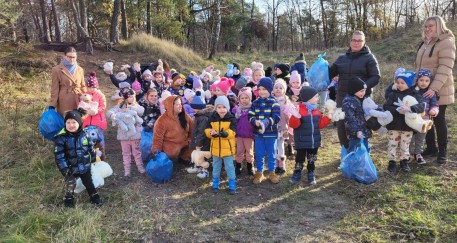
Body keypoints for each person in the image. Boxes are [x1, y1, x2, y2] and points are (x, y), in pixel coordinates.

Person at [414, 15, 455, 164]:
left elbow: (445, 67)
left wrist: (434, 88)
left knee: (438, 119)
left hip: (440, 89)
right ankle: (431, 147)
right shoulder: (425, 43)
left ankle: (443, 151)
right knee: (425, 116)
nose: (427, 28)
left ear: (439, 26)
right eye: (426, 26)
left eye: (431, 25)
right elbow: (418, 68)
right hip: (423, 88)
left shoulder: (446, 42)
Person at [329, 30, 380, 148]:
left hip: (362, 98)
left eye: (359, 41)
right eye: (354, 40)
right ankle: (345, 151)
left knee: (361, 124)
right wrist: (321, 67)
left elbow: (376, 77)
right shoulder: (342, 58)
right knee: (342, 124)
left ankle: (362, 152)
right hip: (342, 97)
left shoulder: (369, 58)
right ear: (350, 41)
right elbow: (330, 73)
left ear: (364, 42)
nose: (356, 43)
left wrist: (363, 87)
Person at [54, 108, 102, 207]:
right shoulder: (61, 138)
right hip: (70, 167)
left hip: (84, 165)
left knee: (88, 182)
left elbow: (90, 147)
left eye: (74, 122)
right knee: (70, 183)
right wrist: (64, 168)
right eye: (68, 122)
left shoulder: (85, 134)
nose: (71, 125)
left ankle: (94, 196)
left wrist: (92, 157)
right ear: (65, 123)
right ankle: (69, 198)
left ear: (79, 123)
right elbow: (59, 155)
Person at [383, 71, 425, 174]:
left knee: (405, 144)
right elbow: (386, 106)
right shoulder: (393, 94)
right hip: (394, 124)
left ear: (409, 83)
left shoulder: (415, 94)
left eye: (403, 83)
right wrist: (397, 110)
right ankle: (392, 162)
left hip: (408, 126)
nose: (400, 85)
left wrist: (410, 109)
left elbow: (421, 106)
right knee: (392, 143)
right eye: (398, 82)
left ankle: (404, 162)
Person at [289, 86, 331, 184]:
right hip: (301, 141)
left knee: (312, 158)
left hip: (314, 141)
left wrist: (328, 117)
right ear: (308, 98)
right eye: (316, 97)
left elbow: (320, 125)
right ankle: (297, 172)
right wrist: (295, 116)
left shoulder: (317, 111)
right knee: (300, 158)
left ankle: (310, 172)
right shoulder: (298, 109)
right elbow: (293, 125)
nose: (318, 98)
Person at [248, 77, 281, 184]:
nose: (261, 91)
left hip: (271, 134)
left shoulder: (274, 102)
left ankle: (272, 172)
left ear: (270, 89)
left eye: (264, 89)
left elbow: (276, 117)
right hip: (258, 135)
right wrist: (254, 121)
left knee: (271, 154)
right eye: (260, 89)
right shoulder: (255, 103)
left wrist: (266, 122)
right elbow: (250, 115)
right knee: (259, 153)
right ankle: (259, 172)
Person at [107, 89, 145, 176]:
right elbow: (110, 112)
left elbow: (141, 111)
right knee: (126, 153)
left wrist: (131, 107)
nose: (132, 98)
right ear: (125, 97)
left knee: (137, 152)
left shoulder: (136, 106)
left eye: (134, 96)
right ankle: (127, 169)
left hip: (135, 135)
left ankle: (140, 166)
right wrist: (112, 115)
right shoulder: (120, 106)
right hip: (123, 136)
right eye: (130, 97)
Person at [205, 96, 237, 194]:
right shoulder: (212, 118)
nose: (221, 110)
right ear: (216, 108)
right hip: (216, 149)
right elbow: (206, 130)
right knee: (216, 166)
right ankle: (215, 183)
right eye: (219, 107)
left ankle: (232, 185)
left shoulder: (231, 118)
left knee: (229, 167)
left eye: (224, 107)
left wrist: (225, 134)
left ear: (227, 107)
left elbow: (233, 131)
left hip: (227, 149)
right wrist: (210, 132)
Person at [152, 95, 194, 163]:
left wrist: (190, 139)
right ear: (170, 106)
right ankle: (168, 159)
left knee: (193, 148)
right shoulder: (161, 121)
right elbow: (157, 138)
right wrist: (157, 153)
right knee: (171, 152)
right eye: (177, 104)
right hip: (171, 145)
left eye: (181, 104)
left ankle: (184, 157)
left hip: (185, 143)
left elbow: (193, 129)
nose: (180, 106)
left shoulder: (185, 116)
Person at [410, 69, 439, 165]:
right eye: (421, 80)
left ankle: (418, 154)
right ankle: (407, 154)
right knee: (410, 137)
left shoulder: (430, 93)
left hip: (424, 120)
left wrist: (434, 110)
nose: (424, 83)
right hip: (412, 119)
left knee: (421, 138)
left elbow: (434, 104)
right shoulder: (412, 90)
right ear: (417, 80)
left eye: (427, 81)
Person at [50, 47, 87, 116]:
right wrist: (52, 104)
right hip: (64, 99)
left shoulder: (80, 69)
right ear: (65, 56)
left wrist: (87, 98)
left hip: (78, 98)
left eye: (74, 57)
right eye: (69, 57)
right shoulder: (56, 70)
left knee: (78, 120)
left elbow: (83, 85)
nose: (72, 59)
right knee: (66, 119)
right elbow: (54, 88)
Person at [342, 77, 372, 154]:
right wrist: (356, 131)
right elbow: (350, 119)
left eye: (365, 90)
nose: (363, 93)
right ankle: (353, 165)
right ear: (354, 90)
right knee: (355, 151)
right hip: (355, 134)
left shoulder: (361, 99)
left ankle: (364, 165)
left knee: (365, 149)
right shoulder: (348, 102)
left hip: (364, 131)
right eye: (361, 91)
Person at [232, 87, 255, 176]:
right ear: (239, 99)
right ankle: (238, 165)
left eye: (246, 98)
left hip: (249, 134)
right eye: (242, 98)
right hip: (239, 134)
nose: (244, 100)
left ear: (250, 98)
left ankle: (250, 165)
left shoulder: (252, 109)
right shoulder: (236, 109)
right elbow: (234, 120)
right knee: (239, 150)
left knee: (249, 151)